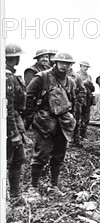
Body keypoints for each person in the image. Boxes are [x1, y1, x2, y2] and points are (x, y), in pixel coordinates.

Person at [24, 52, 77, 197]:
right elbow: (28, 97)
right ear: (55, 62)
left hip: (63, 123)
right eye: (61, 62)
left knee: (59, 155)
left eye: (67, 64)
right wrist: (33, 116)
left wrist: (73, 121)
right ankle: (33, 187)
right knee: (41, 154)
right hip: (44, 121)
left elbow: (73, 102)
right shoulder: (42, 77)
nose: (64, 66)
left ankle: (53, 186)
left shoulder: (70, 82)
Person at [6, 43, 26, 203]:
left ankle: (14, 195)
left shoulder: (10, 76)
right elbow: (8, 109)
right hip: (9, 127)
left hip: (12, 124)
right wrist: (14, 134)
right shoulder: (7, 78)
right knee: (16, 159)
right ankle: (14, 196)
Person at [75, 60, 95, 141]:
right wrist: (84, 83)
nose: (86, 68)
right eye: (84, 66)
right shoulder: (76, 75)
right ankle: (76, 136)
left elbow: (93, 89)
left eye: (87, 67)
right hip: (79, 99)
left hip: (87, 100)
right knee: (77, 117)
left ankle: (83, 135)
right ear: (80, 66)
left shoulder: (89, 76)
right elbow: (74, 86)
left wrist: (90, 84)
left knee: (86, 118)